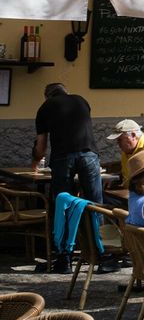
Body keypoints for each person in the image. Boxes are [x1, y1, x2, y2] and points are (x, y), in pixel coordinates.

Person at [32, 82, 103, 273]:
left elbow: (41, 145)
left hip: (63, 157)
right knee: (95, 203)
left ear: (47, 96)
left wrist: (35, 160)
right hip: (89, 156)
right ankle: (103, 254)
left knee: (63, 204)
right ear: (66, 92)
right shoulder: (81, 101)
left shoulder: (46, 107)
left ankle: (64, 259)